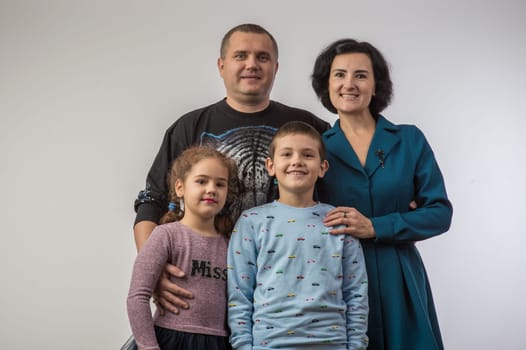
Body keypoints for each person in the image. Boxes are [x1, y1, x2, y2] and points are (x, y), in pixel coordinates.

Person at [133, 23, 330, 313]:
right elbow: (151, 202)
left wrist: (404, 191)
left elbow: (352, 183)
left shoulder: (307, 128)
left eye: (262, 57)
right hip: (199, 286)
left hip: (286, 288)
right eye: (241, 56)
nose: (252, 64)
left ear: (276, 67)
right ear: (221, 65)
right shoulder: (189, 127)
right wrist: (153, 269)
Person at [311, 38, 453, 350]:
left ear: (376, 85)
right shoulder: (315, 148)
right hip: (337, 279)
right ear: (326, 85)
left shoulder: (409, 139)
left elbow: (439, 213)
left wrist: (377, 226)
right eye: (339, 75)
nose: (349, 84)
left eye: (360, 75)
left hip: (399, 277)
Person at [227, 121, 369, 350]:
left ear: (323, 167)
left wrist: (356, 346)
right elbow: (239, 293)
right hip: (269, 345)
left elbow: (356, 293)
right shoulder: (251, 222)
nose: (297, 161)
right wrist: (244, 345)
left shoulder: (339, 222)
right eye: (287, 154)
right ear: (271, 166)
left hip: (332, 344)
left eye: (307, 155)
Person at [127, 146, 239, 350]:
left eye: (220, 184)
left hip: (218, 343)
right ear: (180, 188)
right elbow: (137, 296)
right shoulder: (166, 235)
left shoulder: (231, 243)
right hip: (170, 340)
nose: (212, 189)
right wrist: (148, 347)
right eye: (202, 181)